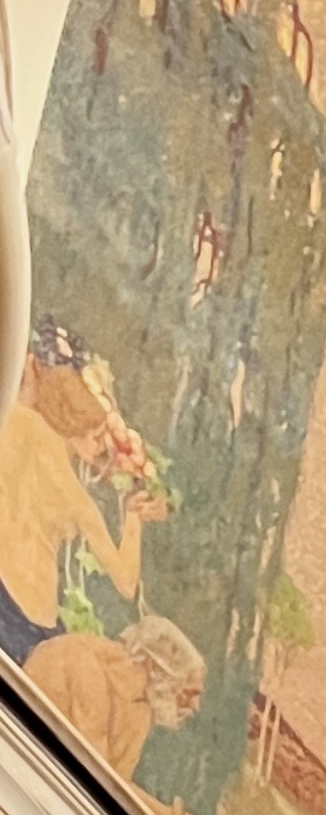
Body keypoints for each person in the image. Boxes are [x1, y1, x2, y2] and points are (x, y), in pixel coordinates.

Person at [0, 329, 165, 662]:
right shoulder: (77, 499)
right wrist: (133, 518)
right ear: (75, 422)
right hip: (33, 620)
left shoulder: (16, 421)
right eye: (97, 435)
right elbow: (126, 582)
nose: (102, 446)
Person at [23, 613, 203, 784]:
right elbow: (95, 774)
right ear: (155, 667)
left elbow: (118, 786)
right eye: (190, 693)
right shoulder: (83, 662)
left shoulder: (140, 711)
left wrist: (158, 808)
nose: (195, 706)